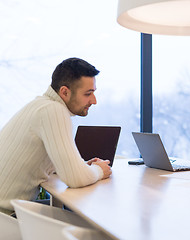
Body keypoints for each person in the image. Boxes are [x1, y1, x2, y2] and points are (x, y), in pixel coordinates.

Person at [0, 58, 112, 215]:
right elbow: (75, 179)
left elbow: (61, 168)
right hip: (7, 219)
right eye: (88, 94)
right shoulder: (53, 111)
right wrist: (99, 170)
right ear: (64, 92)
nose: (94, 101)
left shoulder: (40, 105)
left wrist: (82, 167)